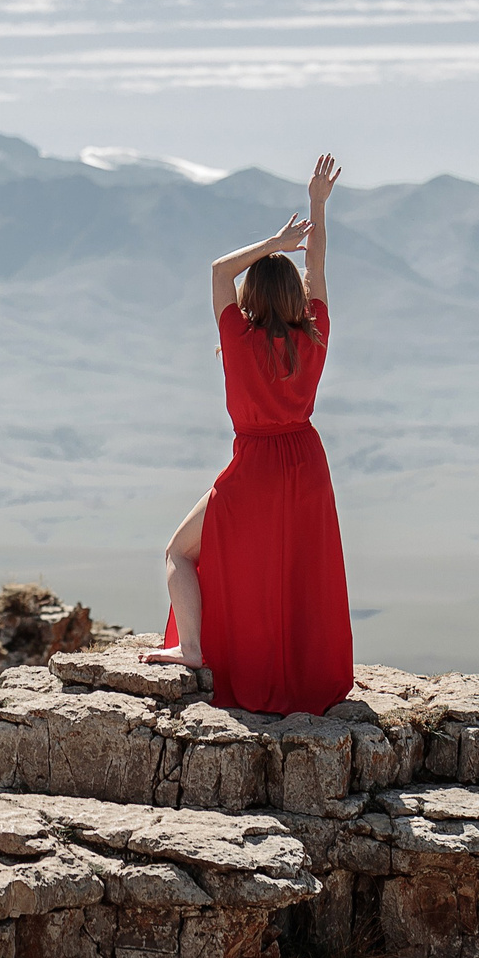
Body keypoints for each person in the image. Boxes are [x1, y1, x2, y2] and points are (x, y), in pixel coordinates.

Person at [139, 154, 354, 716]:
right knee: (297, 571)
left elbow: (217, 272)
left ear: (252, 299)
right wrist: (317, 207)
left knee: (178, 552)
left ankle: (191, 650)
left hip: (255, 463)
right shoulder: (316, 334)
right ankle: (300, 671)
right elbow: (322, 268)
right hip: (306, 461)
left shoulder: (238, 338)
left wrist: (274, 243)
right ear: (298, 299)